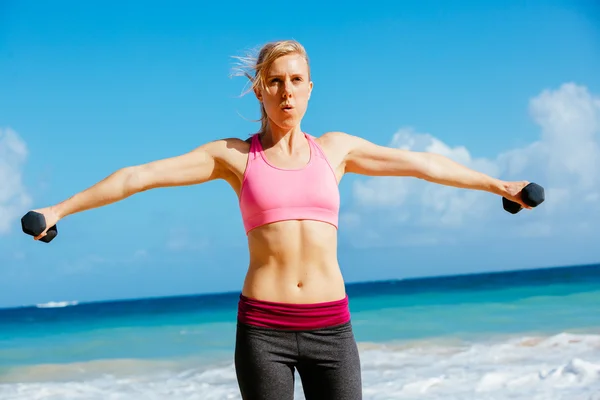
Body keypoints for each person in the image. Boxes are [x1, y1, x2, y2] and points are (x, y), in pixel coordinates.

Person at [27, 40, 534, 399]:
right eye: (275, 82)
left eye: (296, 81)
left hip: (331, 327)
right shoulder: (234, 156)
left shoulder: (335, 151)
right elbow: (139, 176)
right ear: (259, 92)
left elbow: (424, 164)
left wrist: (499, 186)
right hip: (263, 330)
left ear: (311, 87)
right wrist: (57, 210)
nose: (286, 91)